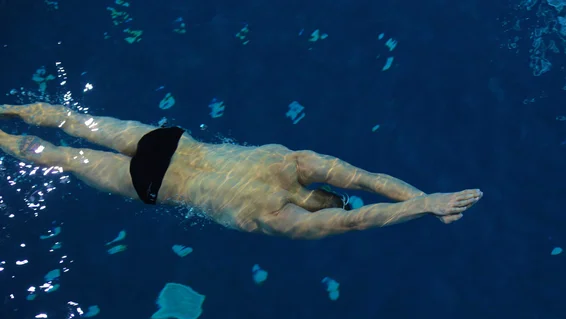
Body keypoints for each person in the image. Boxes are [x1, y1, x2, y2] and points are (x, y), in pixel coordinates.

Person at [0, 103, 482, 239]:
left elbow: (366, 180)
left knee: (73, 121)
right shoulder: (278, 219)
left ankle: (8, 109)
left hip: (172, 144)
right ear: (317, 207)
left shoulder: (295, 162)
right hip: (154, 184)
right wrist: (425, 208)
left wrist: (427, 197)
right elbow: (356, 218)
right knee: (62, 157)